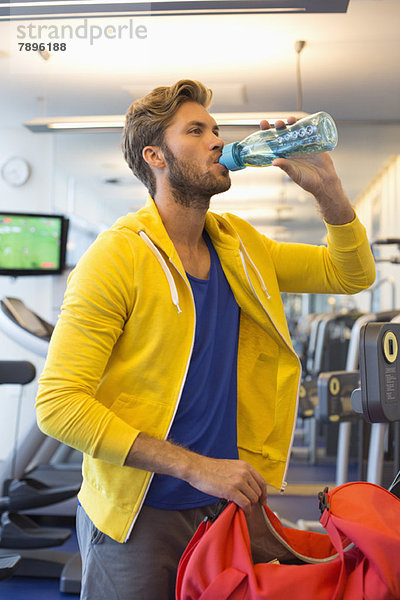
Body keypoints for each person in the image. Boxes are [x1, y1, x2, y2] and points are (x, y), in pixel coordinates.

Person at [36, 79, 375, 600]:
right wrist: (195, 467)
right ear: (156, 156)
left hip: (226, 504)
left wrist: (327, 189)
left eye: (216, 129)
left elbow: (349, 274)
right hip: (140, 514)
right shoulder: (118, 257)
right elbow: (58, 406)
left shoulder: (239, 245)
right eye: (196, 131)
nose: (218, 140)